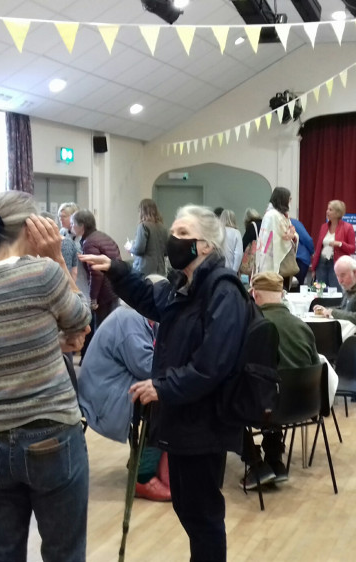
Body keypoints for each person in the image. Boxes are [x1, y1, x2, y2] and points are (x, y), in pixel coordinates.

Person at [81, 204, 249, 562]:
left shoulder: (223, 291)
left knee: (202, 512)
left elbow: (212, 364)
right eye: (174, 231)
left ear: (205, 246)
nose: (174, 239)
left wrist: (163, 387)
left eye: (183, 234)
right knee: (188, 507)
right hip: (184, 416)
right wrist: (118, 271)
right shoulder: (183, 286)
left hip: (206, 419)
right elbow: (149, 298)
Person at [0, 192, 92, 561]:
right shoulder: (42, 273)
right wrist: (57, 257)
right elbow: (80, 320)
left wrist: (48, 340)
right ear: (33, 227)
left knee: (1, 552)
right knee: (64, 552)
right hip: (51, 435)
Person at [77, 305, 171, 502]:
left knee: (164, 393)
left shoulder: (147, 321)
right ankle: (143, 477)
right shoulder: (130, 321)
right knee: (164, 401)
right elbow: (148, 367)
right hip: (103, 396)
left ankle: (145, 461)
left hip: (114, 385)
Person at [241, 272, 320, 488]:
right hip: (304, 406)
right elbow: (315, 364)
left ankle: (256, 464)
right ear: (282, 294)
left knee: (227, 399)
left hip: (269, 408)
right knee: (271, 390)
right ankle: (275, 460)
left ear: (254, 295)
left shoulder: (252, 326)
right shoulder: (303, 326)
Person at [313, 256, 356, 347]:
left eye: (342, 275)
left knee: (323, 342)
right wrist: (326, 310)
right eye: (337, 276)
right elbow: (344, 309)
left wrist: (332, 312)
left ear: (355, 273)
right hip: (350, 333)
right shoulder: (352, 284)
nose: (339, 280)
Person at [72, 209, 121, 324]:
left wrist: (93, 298)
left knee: (101, 329)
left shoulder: (89, 242)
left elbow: (96, 273)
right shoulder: (102, 236)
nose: (72, 226)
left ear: (82, 226)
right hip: (114, 288)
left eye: (73, 224)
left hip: (104, 293)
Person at [256, 187, 298, 289]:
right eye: (289, 199)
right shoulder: (274, 216)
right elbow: (283, 236)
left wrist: (293, 234)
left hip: (269, 255)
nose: (290, 202)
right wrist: (292, 235)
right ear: (283, 199)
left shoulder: (274, 215)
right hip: (273, 257)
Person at [311, 199, 355, 292]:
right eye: (327, 209)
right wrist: (314, 267)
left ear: (338, 213)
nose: (327, 212)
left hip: (336, 264)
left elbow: (352, 248)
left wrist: (339, 244)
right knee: (321, 292)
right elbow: (318, 248)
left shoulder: (347, 227)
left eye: (330, 210)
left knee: (336, 292)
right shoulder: (324, 227)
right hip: (321, 264)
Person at [131, 199, 169, 276]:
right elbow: (166, 252)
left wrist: (131, 248)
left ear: (142, 212)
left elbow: (139, 250)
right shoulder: (163, 228)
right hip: (160, 271)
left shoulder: (143, 226)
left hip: (144, 271)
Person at [289, 215, 313, 287]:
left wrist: (312, 252)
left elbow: (307, 240)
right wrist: (312, 252)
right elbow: (307, 239)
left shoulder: (292, 222)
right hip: (299, 259)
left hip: (298, 260)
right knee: (297, 288)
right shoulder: (294, 222)